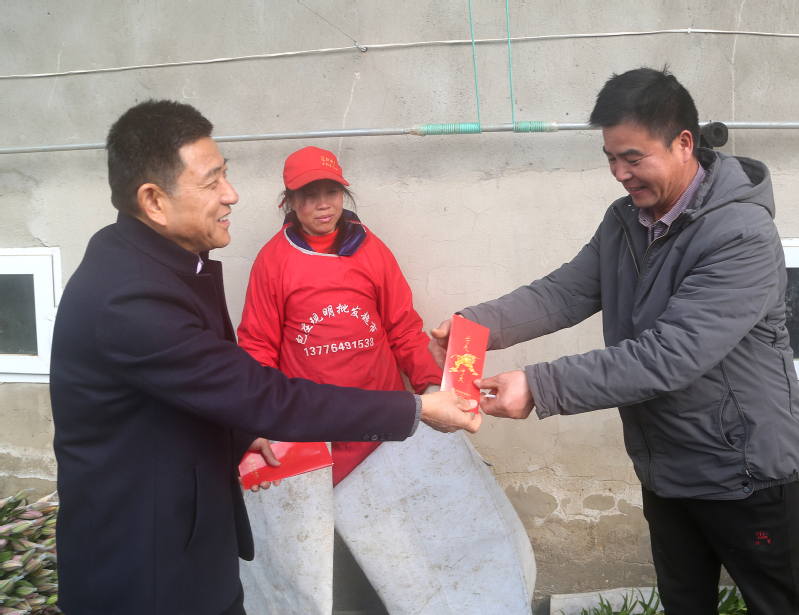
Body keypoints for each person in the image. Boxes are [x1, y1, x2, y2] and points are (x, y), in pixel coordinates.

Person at [49, 100, 480, 615]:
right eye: (212, 181)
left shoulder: (161, 263)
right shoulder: (132, 298)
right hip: (148, 573)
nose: (231, 194)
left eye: (225, 175)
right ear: (154, 201)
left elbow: (199, 387)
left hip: (192, 544)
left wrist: (240, 430)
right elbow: (257, 385)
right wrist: (418, 409)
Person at [431, 67, 799, 615]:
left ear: (683, 143)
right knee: (684, 602)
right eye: (610, 158)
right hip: (665, 464)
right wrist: (476, 325)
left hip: (744, 470)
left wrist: (538, 386)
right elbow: (565, 291)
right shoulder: (627, 219)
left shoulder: (740, 235)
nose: (620, 174)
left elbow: (669, 356)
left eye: (633, 157)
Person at [235, 146, 535, 615]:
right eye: (308, 195)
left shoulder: (370, 251)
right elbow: (257, 347)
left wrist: (435, 389)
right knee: (325, 552)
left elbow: (403, 330)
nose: (322, 204)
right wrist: (255, 418)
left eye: (331, 191)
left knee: (396, 539)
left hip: (384, 426)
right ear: (288, 202)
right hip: (315, 434)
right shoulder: (274, 262)